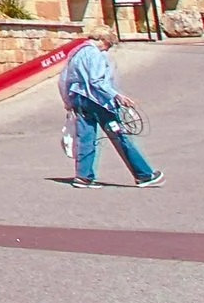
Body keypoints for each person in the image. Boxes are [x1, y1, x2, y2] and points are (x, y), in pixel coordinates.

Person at [61, 29, 163, 188]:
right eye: (108, 45)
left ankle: (83, 176)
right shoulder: (95, 54)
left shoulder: (76, 53)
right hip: (97, 101)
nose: (107, 49)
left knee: (86, 137)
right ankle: (143, 175)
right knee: (119, 136)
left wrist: (68, 101)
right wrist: (116, 96)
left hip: (78, 98)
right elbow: (96, 81)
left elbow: (64, 79)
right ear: (103, 40)